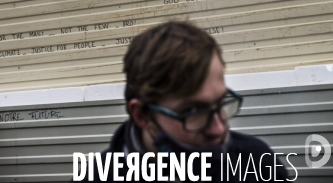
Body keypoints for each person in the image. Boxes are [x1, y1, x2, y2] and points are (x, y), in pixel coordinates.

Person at [73, 21, 291, 182]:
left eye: (221, 102)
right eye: (193, 111)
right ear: (142, 115)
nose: (218, 129)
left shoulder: (257, 164)